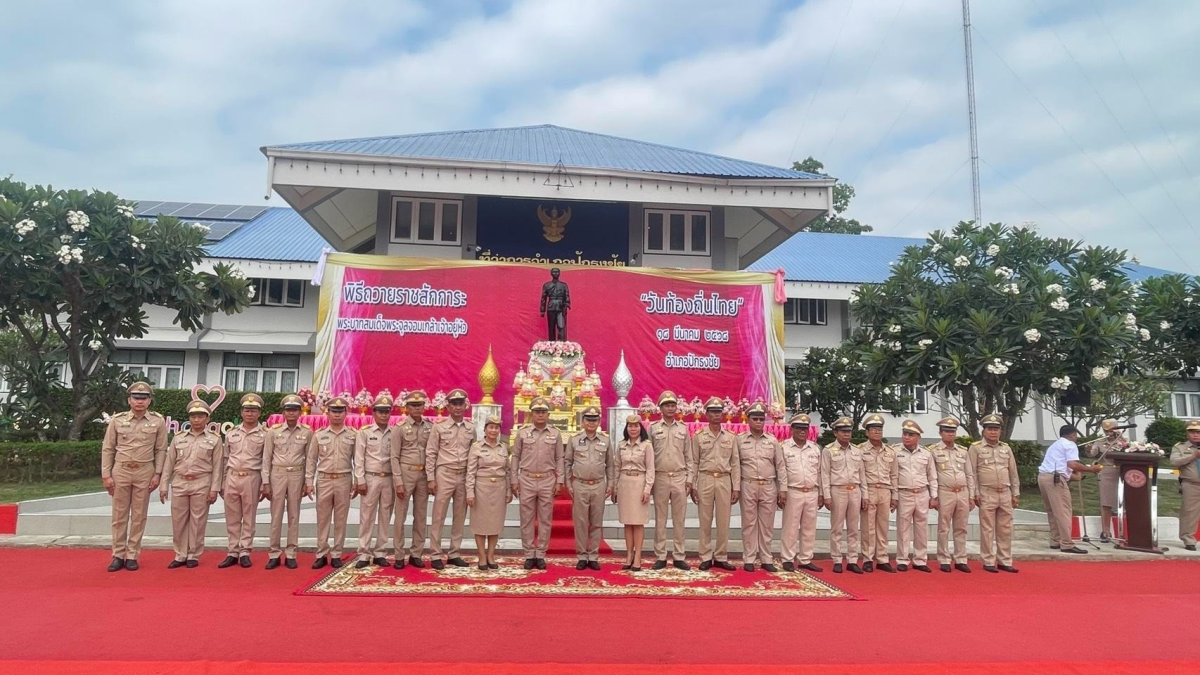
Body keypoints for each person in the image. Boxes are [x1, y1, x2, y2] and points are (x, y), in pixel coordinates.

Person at [101, 381, 168, 572]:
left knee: (139, 516)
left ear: (149, 401)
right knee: (119, 515)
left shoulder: (157, 421)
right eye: (136, 398)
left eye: (144, 398)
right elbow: (108, 448)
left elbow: (161, 449)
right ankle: (117, 554)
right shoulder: (118, 420)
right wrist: (106, 474)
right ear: (129, 400)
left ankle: (132, 555)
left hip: (144, 471)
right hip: (121, 470)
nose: (140, 401)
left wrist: (157, 474)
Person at [160, 400, 223, 569]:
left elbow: (218, 466)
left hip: (202, 482)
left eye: (201, 416)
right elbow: (169, 463)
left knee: (197, 520)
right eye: (193, 416)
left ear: (207, 419)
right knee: (178, 520)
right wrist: (164, 485)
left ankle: (193, 554)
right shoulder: (179, 438)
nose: (197, 420)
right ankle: (180, 554)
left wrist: (215, 488)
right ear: (189, 418)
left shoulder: (215, 440)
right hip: (180, 481)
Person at [511, 396, 565, 570]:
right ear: (531, 414)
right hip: (526, 478)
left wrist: (560, 480)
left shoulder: (555, 433)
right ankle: (528, 553)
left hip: (547, 479)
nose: (540, 415)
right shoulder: (523, 432)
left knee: (545, 519)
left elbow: (559, 458)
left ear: (548, 414)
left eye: (543, 412)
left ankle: (540, 553)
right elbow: (516, 456)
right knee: (526, 518)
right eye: (537, 412)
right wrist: (514, 479)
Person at [425, 388, 475, 569]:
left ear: (465, 405)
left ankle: (454, 553)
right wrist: (431, 478)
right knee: (439, 515)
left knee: (460, 516)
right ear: (448, 406)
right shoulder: (439, 427)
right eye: (454, 404)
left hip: (462, 474)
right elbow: (430, 453)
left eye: (461, 404)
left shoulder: (471, 428)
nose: (458, 407)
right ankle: (435, 554)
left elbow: (474, 454)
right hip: (444, 473)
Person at [688, 397, 739, 571]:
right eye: (713, 412)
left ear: (723, 414)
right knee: (705, 519)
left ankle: (721, 556)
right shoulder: (698, 436)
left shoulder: (731, 437)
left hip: (725, 479)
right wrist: (692, 484)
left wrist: (736, 487)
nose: (716, 415)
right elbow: (694, 461)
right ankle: (705, 556)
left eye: (719, 412)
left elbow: (735, 463)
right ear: (707, 414)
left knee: (724, 520)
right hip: (705, 478)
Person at [305, 396, 356, 569]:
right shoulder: (319, 435)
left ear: (346, 413)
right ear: (328, 413)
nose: (337, 415)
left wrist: (357, 480)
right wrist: (309, 482)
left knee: (341, 519)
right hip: (324, 479)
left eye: (340, 411)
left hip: (344, 479)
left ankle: (336, 554)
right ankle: (321, 553)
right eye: (334, 411)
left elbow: (358, 460)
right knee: (323, 518)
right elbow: (311, 460)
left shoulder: (352, 435)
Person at [262, 394, 312, 570]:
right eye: (288, 410)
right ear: (283, 412)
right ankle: (274, 553)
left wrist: (308, 481)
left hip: (297, 475)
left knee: (293, 515)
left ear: (300, 412)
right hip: (277, 474)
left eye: (295, 410)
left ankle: (291, 553)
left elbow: (309, 459)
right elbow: (266, 457)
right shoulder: (273, 431)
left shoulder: (307, 431)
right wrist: (265, 482)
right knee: (276, 515)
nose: (291, 413)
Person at [217, 393, 267, 569]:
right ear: (241, 412)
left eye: (254, 411)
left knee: (249, 516)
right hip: (232, 476)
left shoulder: (265, 434)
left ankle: (245, 551)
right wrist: (222, 483)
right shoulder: (231, 433)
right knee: (232, 517)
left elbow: (265, 461)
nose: (250, 414)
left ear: (259, 413)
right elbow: (225, 459)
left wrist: (264, 483)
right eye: (247, 410)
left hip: (252, 477)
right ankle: (232, 551)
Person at [738, 403, 786, 572]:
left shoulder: (772, 441)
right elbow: (736, 465)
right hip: (748, 483)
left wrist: (783, 489)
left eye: (761, 419)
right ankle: (749, 558)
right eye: (755, 418)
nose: (758, 422)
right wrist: (736, 488)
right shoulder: (740, 440)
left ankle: (766, 558)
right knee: (749, 523)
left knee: (766, 524)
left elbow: (780, 466)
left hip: (768, 485)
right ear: (748, 420)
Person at [1038, 424, 1101, 556]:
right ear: (1073, 434)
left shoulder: (1055, 445)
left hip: (1043, 477)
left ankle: (1055, 540)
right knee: (1063, 511)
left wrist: (1074, 476)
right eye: (1076, 435)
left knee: (1052, 510)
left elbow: (1060, 466)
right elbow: (1072, 464)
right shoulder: (1070, 444)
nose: (1076, 437)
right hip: (1055, 480)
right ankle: (1067, 543)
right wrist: (1091, 469)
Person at [970, 414, 1020, 573]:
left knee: (1005, 528)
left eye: (996, 429)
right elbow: (972, 473)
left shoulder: (1006, 448)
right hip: (987, 492)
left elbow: (1013, 472)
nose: (993, 432)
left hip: (1005, 492)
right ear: (983, 431)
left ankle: (1005, 560)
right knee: (987, 529)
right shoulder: (976, 448)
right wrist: (975, 493)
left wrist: (1015, 492)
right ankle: (988, 560)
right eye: (990, 429)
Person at [565, 406, 613, 571]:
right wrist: (568, 483)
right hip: (580, 485)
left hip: (599, 485)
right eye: (588, 420)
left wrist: (611, 484)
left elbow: (610, 465)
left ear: (599, 422)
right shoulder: (574, 440)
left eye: (594, 420)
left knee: (596, 522)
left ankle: (593, 555)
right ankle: (582, 556)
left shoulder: (605, 440)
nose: (591, 423)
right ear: (582, 422)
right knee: (580, 522)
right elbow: (567, 463)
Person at [391, 389, 433, 569]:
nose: (417, 408)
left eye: (420, 405)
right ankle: (399, 554)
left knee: (421, 515)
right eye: (413, 405)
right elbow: (394, 456)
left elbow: (433, 452)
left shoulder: (430, 427)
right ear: (407, 407)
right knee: (400, 515)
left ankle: (416, 553)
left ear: (424, 406)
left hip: (423, 474)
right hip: (406, 473)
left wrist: (432, 477)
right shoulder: (399, 428)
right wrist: (398, 482)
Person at [928, 417, 976, 573]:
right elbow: (932, 475)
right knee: (943, 528)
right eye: (947, 431)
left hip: (962, 492)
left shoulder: (963, 450)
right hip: (945, 492)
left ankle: (961, 558)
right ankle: (944, 559)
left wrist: (971, 496)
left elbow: (969, 474)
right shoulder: (933, 451)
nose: (950, 434)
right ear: (940, 433)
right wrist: (934, 496)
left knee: (961, 527)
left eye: (953, 431)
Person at [649, 391, 691, 570]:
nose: (670, 408)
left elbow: (689, 456)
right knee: (660, 518)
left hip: (680, 476)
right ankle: (660, 555)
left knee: (679, 519)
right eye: (667, 405)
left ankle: (679, 555)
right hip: (660, 477)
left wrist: (689, 479)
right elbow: (648, 457)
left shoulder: (683, 429)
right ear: (660, 408)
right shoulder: (652, 428)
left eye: (673, 405)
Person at [354, 395, 395, 568]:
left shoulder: (395, 432)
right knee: (367, 516)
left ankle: (380, 552)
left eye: (387, 412)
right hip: (370, 478)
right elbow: (359, 457)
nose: (384, 415)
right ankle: (363, 552)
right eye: (380, 412)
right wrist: (360, 479)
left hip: (388, 478)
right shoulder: (365, 432)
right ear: (374, 413)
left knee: (385, 516)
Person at [821, 416, 866, 574]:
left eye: (848, 431)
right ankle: (837, 558)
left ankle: (852, 559)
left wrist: (864, 495)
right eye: (843, 431)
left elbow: (862, 474)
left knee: (854, 528)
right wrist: (826, 495)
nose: (846, 434)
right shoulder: (828, 451)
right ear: (835, 432)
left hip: (855, 490)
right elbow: (824, 474)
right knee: (837, 527)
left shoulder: (857, 450)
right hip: (838, 489)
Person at [780, 413, 822, 572]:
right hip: (793, 491)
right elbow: (782, 471)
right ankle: (787, 558)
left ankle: (805, 558)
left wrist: (821, 493)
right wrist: (782, 491)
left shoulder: (815, 448)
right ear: (792, 429)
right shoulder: (784, 447)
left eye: (805, 428)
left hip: (812, 491)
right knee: (790, 527)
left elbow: (819, 472)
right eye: (798, 428)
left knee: (809, 527)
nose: (802, 431)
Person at [467, 415, 510, 570]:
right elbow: (470, 471)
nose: (493, 430)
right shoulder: (477, 447)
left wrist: (508, 490)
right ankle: (482, 556)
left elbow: (508, 471)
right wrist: (469, 492)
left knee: (495, 523)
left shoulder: (503, 447)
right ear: (485, 429)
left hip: (499, 488)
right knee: (480, 523)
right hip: (481, 488)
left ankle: (491, 555)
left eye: (496, 427)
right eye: (490, 427)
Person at [895, 420, 937, 572]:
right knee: (903, 527)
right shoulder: (895, 452)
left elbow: (932, 476)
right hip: (904, 492)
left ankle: (920, 560)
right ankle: (902, 559)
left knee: (921, 528)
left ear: (918, 437)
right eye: (905, 434)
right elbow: (892, 475)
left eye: (911, 435)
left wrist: (934, 496)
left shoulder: (926, 453)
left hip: (922, 493)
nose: (906, 437)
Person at [859, 414, 898, 573]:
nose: (877, 432)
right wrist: (864, 494)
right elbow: (860, 474)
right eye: (873, 429)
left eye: (879, 429)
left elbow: (894, 475)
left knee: (883, 526)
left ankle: (882, 558)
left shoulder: (890, 451)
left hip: (885, 490)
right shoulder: (860, 450)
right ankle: (868, 558)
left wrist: (895, 495)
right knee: (868, 526)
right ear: (867, 432)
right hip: (869, 489)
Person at [614, 415, 654, 570]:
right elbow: (617, 466)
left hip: (639, 483)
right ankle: (629, 554)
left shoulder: (646, 445)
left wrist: (647, 489)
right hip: (624, 483)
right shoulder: (621, 445)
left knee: (637, 522)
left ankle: (638, 556)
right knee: (627, 522)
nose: (633, 429)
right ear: (626, 428)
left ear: (641, 428)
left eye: (636, 426)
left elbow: (650, 468)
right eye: (630, 426)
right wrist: (615, 487)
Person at [1087, 418, 1129, 543]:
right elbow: (1092, 453)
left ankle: (1126, 531)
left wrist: (1121, 439)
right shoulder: (1100, 442)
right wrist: (1088, 450)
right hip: (1107, 472)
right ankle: (1106, 530)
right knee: (1106, 502)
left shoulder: (1124, 441)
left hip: (1122, 472)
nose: (1108, 433)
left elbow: (1130, 451)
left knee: (1125, 502)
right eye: (1106, 430)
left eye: (1111, 430)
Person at [1170, 420, 1200, 551]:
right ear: (1187, 433)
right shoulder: (1180, 447)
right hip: (1191, 484)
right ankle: (1188, 539)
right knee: (1189, 512)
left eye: (1198, 432)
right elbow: (1174, 462)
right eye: (1192, 432)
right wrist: (1193, 456)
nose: (1196, 435)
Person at [539, 267, 571, 340]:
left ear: (559, 273)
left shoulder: (564, 285)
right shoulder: (547, 285)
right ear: (551, 273)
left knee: (561, 326)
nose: (555, 273)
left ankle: (562, 345)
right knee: (551, 327)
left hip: (561, 307)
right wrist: (542, 310)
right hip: (551, 306)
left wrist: (567, 304)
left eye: (557, 272)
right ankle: (551, 344)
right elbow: (543, 298)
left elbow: (567, 296)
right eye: (554, 272)